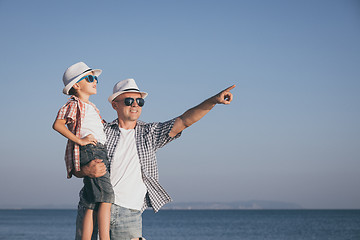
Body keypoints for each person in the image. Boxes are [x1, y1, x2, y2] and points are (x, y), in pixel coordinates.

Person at [74, 78, 235, 240]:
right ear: (115, 105)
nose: (135, 105)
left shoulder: (150, 133)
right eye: (129, 101)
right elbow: (75, 165)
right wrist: (85, 170)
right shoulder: (101, 131)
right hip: (92, 209)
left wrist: (213, 101)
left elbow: (185, 120)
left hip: (129, 215)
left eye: (140, 101)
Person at [53, 62, 114, 240]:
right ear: (77, 85)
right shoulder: (74, 104)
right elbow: (57, 124)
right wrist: (79, 140)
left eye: (95, 78)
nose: (95, 81)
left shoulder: (93, 107)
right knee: (107, 196)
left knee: (90, 201)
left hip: (99, 149)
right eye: (90, 78)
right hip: (92, 151)